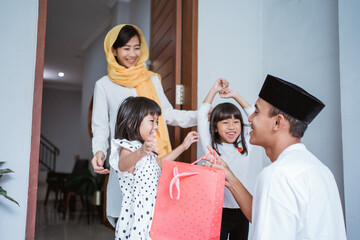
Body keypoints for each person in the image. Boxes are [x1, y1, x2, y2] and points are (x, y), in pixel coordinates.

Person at [207, 75, 347, 239]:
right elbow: (264, 216)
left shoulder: (277, 176)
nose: (250, 118)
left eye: (256, 112)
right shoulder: (321, 170)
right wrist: (230, 178)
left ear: (277, 123)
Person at [91, 24, 197, 226]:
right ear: (113, 50)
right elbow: (101, 126)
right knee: (126, 220)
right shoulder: (103, 85)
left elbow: (165, 114)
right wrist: (98, 151)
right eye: (126, 48)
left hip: (153, 160)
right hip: (126, 162)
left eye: (136, 47)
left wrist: (200, 116)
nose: (133, 54)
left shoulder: (151, 79)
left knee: (154, 222)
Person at [108, 96, 198, 239]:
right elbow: (123, 165)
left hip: (151, 212)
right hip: (137, 216)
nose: (156, 126)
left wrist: (183, 147)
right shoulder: (129, 147)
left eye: (157, 121)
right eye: (152, 121)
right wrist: (141, 152)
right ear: (131, 123)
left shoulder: (145, 150)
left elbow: (160, 164)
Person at [197, 79, 254, 240]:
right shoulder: (210, 148)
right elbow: (202, 114)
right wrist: (214, 90)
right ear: (215, 126)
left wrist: (235, 95)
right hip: (217, 212)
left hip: (242, 211)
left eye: (236, 122)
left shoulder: (247, 145)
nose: (232, 126)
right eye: (225, 122)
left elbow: (253, 115)